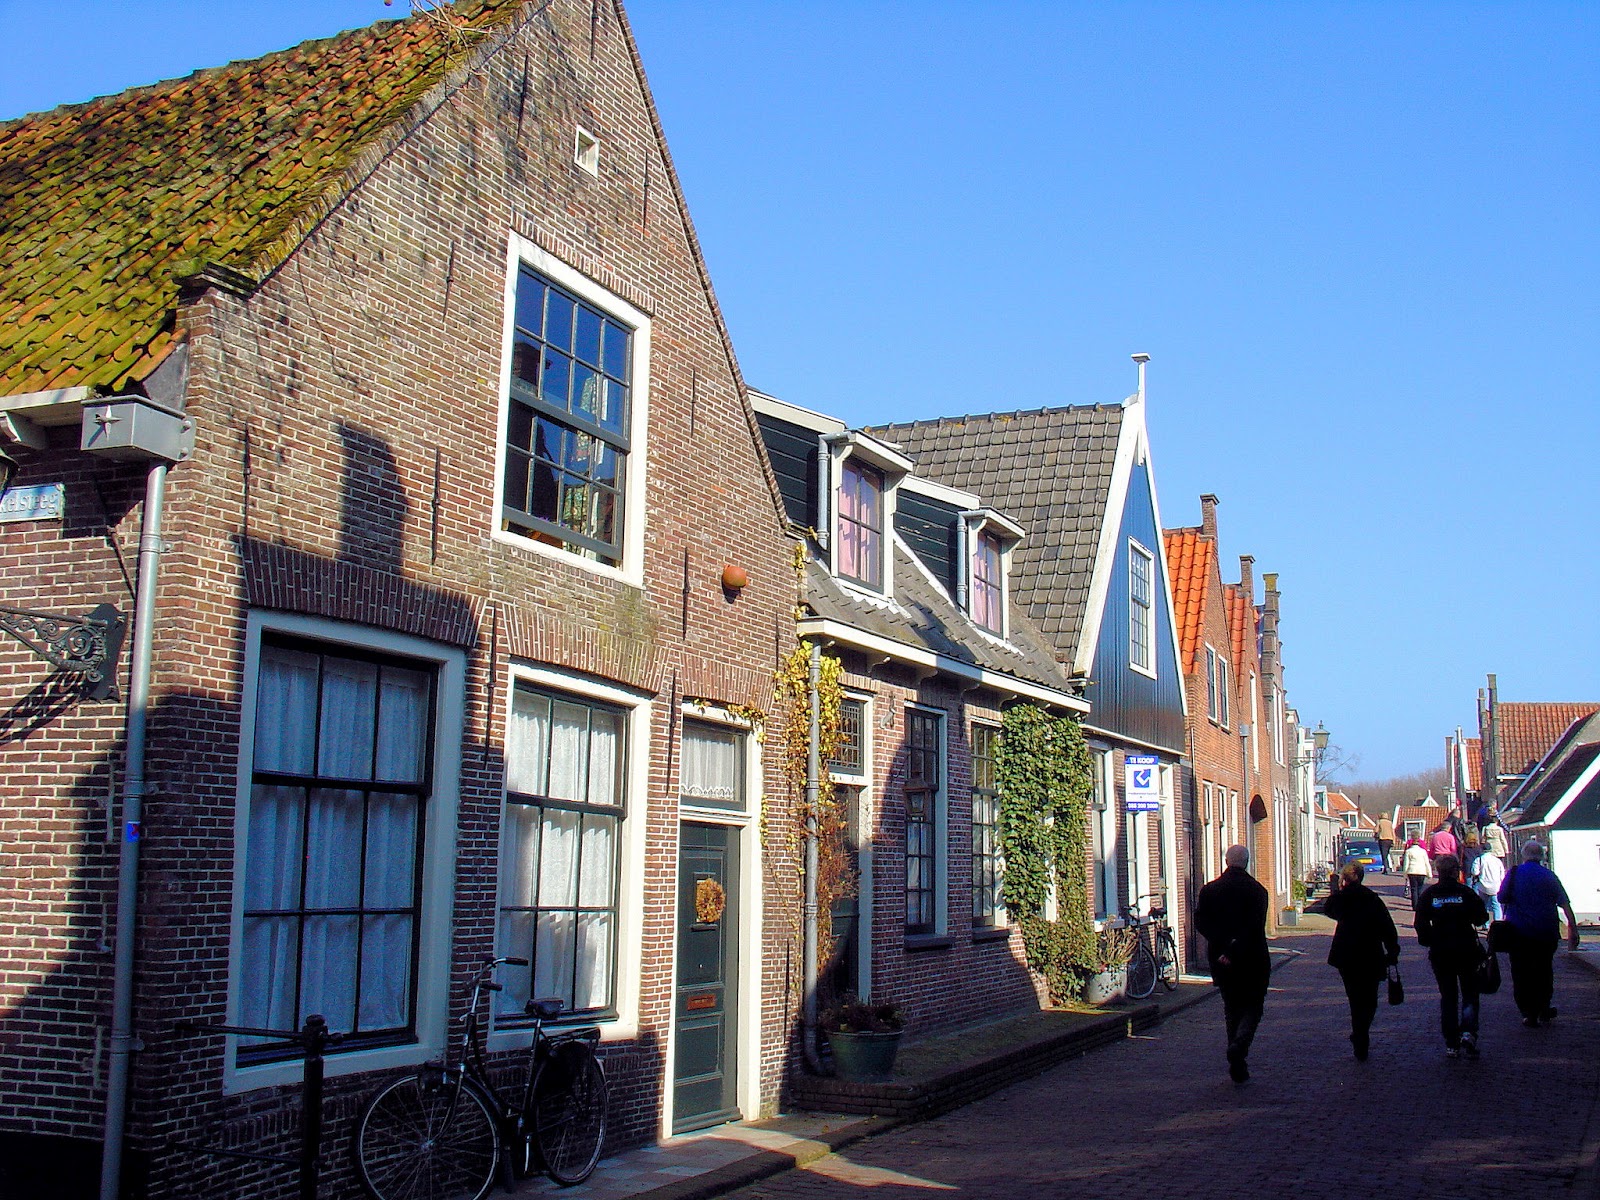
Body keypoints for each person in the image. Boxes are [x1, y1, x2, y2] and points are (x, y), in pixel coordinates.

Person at [1194, 844, 1271, 1083]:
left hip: (1222, 960)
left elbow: (1201, 922)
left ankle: (1236, 1055)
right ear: (1246, 862)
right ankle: (1240, 1045)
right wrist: (1236, 948)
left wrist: (1223, 948)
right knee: (1253, 1006)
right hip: (1252, 958)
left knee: (1231, 1007)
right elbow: (1255, 927)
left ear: (1226, 861)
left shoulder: (1209, 891)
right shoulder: (1258, 891)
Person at [1324, 860, 1400, 1060]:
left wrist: (1338, 889)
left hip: (1346, 955)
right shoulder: (1372, 899)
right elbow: (1387, 926)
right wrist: (1392, 950)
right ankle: (1361, 1032)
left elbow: (1328, 908)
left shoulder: (1342, 898)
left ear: (1345, 879)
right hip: (1370, 954)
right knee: (1370, 999)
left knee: (1354, 997)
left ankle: (1359, 1033)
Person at [1415, 853, 1489, 1058]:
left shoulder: (1430, 894)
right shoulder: (1465, 893)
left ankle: (1451, 1042)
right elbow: (1481, 917)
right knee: (1469, 993)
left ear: (1438, 871)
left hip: (1441, 952)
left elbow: (1420, 923)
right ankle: (1468, 1032)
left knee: (1448, 996)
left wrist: (1429, 939)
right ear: (1456, 871)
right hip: (1466, 949)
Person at [1499, 840, 1580, 1027]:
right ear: (1542, 856)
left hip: (1518, 932)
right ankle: (1543, 1006)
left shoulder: (1514, 874)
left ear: (1523, 855)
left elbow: (1502, 897)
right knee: (1544, 970)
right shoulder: (1549, 876)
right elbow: (1564, 903)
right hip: (1545, 931)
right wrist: (1573, 928)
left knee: (1521, 972)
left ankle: (1528, 1012)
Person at [1470, 843, 1505, 922]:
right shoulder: (1497, 860)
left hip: (1483, 886)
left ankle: (1485, 924)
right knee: (1496, 905)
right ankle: (1498, 922)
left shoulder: (1479, 859)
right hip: (1496, 886)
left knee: (1484, 905)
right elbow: (1502, 874)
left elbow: (1475, 872)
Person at [1403, 838, 1431, 911]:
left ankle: (1415, 906)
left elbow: (1406, 864)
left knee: (1413, 889)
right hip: (1422, 871)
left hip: (1412, 871)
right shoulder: (1423, 851)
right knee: (1420, 889)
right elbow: (1426, 863)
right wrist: (1429, 873)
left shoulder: (1408, 851)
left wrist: (1405, 874)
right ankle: (1421, 905)